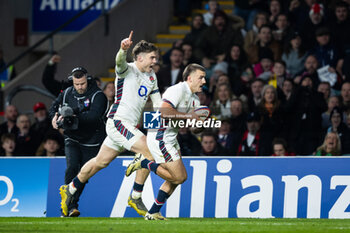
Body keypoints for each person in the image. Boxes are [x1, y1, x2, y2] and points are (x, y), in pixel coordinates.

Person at [58, 32, 169, 218]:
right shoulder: (128, 69)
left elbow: (158, 104)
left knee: (100, 162)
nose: (154, 61)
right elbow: (119, 62)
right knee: (148, 151)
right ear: (139, 58)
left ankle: (70, 188)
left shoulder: (152, 77)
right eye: (151, 57)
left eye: (155, 58)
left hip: (126, 127)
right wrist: (122, 49)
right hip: (119, 122)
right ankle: (136, 196)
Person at [125, 63, 207, 220]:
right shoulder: (177, 90)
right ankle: (144, 163)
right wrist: (190, 117)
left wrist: (200, 125)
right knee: (180, 177)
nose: (204, 81)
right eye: (201, 77)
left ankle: (153, 211)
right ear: (189, 78)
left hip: (171, 137)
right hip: (160, 136)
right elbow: (164, 112)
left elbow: (192, 127)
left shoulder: (195, 99)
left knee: (175, 178)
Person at [50, 65, 108, 217]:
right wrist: (54, 118)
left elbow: (94, 116)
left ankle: (71, 203)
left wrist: (74, 116)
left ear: (87, 80)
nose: (80, 87)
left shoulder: (98, 95)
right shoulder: (67, 92)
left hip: (92, 140)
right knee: (71, 168)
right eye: (77, 84)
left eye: (82, 83)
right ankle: (70, 207)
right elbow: (54, 106)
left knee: (83, 174)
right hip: (72, 137)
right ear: (72, 82)